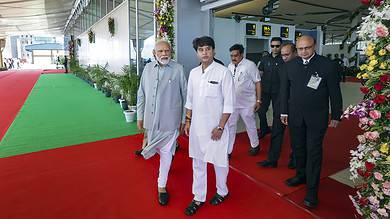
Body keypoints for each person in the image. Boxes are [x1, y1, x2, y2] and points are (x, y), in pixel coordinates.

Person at [280, 35, 343, 208]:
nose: (304, 52)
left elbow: (334, 92)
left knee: (313, 152)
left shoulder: (327, 65)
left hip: (317, 117)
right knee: (298, 148)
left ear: (314, 46)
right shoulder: (290, 65)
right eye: (300, 49)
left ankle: (312, 191)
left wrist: (336, 115)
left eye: (307, 48)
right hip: (295, 116)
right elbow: (285, 90)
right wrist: (284, 111)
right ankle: (301, 175)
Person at [184, 36, 234, 216]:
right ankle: (198, 197)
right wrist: (188, 121)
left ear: (214, 50)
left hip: (216, 129)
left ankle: (222, 191)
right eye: (201, 49)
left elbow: (229, 104)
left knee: (220, 162)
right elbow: (189, 100)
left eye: (207, 48)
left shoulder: (223, 72)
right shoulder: (193, 73)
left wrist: (220, 127)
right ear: (197, 53)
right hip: (197, 128)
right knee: (198, 163)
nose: (204, 52)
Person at [136, 40, 187, 206]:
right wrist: (140, 116)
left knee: (165, 153)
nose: (164, 54)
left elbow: (185, 96)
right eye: (161, 51)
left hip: (170, 121)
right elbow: (141, 93)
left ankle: (161, 186)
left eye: (167, 51)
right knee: (157, 148)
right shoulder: (148, 69)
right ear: (154, 53)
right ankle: (151, 146)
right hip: (151, 120)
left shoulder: (178, 69)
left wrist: (184, 119)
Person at [257, 42, 297, 169]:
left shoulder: (301, 67)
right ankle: (272, 159)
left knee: (296, 135)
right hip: (280, 104)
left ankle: (295, 159)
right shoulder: (281, 66)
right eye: (283, 55)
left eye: (287, 55)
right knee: (276, 132)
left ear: (295, 53)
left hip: (296, 106)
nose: (284, 57)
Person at [227, 44, 261, 157]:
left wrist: (258, 100)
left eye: (235, 55)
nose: (233, 58)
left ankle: (255, 145)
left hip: (247, 103)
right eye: (231, 56)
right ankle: (228, 151)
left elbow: (257, 82)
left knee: (250, 124)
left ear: (242, 54)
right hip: (233, 103)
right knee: (230, 126)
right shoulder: (229, 66)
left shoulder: (250, 65)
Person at [257, 37, 284, 139]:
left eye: (277, 46)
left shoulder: (284, 59)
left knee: (277, 113)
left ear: (281, 46)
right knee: (261, 111)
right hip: (265, 90)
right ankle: (264, 129)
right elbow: (259, 74)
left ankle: (276, 133)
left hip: (278, 91)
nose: (275, 48)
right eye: (272, 46)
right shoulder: (265, 59)